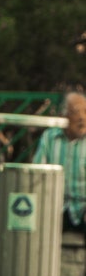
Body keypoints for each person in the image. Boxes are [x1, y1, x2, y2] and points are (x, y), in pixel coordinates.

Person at [33, 89, 86, 235]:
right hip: (55, 207)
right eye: (76, 112)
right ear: (64, 116)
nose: (82, 117)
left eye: (85, 112)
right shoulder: (49, 138)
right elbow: (37, 174)